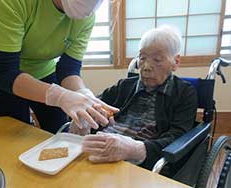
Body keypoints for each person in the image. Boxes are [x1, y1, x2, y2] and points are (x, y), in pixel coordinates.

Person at [70, 25, 198, 171]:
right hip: (99, 149)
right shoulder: (124, 85)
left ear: (176, 62)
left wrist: (136, 149)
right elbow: (95, 104)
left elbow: (178, 137)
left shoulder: (184, 93)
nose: (146, 67)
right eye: (142, 58)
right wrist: (83, 117)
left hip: (141, 162)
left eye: (157, 59)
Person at [0, 0, 118, 133]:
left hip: (42, 68)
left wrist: (82, 94)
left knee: (58, 126)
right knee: (14, 133)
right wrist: (60, 96)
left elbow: (68, 68)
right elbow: (3, 71)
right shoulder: (9, 2)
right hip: (0, 72)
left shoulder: (86, 17)